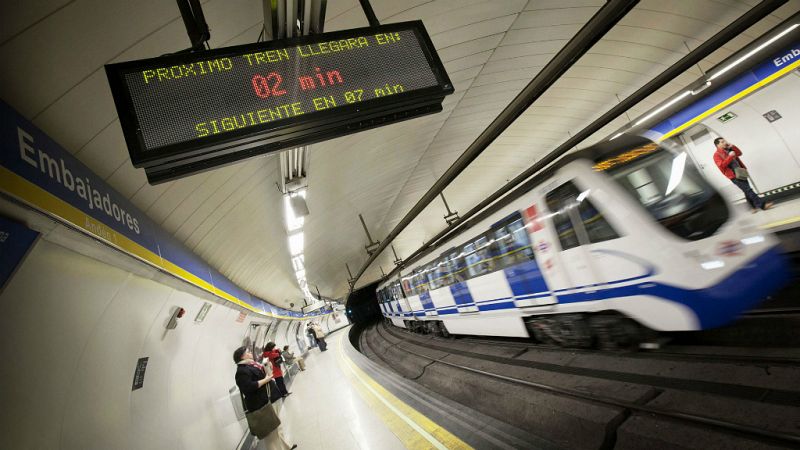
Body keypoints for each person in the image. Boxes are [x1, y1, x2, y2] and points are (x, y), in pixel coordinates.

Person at [233, 346, 295, 449]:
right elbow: (248, 387)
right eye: (248, 352)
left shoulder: (252, 365)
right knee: (271, 435)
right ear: (242, 356)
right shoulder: (241, 371)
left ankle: (285, 447)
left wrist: (268, 367)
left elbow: (262, 375)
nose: (250, 353)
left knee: (277, 428)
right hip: (262, 404)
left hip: (270, 399)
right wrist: (266, 380)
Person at [713, 138, 773, 212]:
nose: (725, 142)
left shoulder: (729, 149)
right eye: (722, 142)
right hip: (733, 175)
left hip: (741, 171)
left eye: (724, 141)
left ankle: (752, 207)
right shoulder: (716, 155)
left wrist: (733, 146)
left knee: (746, 190)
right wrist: (730, 156)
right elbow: (722, 166)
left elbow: (739, 153)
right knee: (748, 190)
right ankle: (762, 205)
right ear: (717, 145)